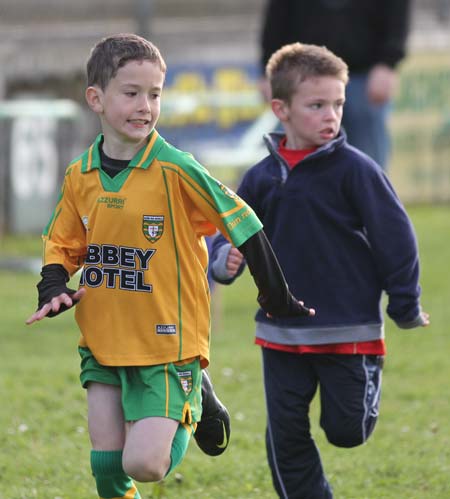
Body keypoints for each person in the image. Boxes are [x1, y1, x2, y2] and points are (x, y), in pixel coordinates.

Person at [25, 33, 314, 499]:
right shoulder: (80, 175)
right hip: (102, 338)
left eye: (155, 94)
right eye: (132, 93)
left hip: (167, 344)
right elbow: (63, 242)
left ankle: (195, 398)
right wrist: (53, 284)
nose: (145, 106)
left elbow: (242, 221)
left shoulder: (176, 169)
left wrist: (276, 294)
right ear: (96, 99)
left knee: (143, 464)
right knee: (106, 465)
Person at [210, 42, 430, 499]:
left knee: (346, 430)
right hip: (280, 331)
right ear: (281, 109)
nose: (331, 115)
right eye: (316, 105)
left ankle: (362, 394)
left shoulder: (357, 171)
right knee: (286, 433)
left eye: (338, 104)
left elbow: (396, 238)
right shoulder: (261, 177)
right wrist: (224, 260)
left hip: (349, 330)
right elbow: (228, 226)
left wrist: (405, 304)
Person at [259, 0, 412, 170]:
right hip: (302, 82)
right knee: (294, 167)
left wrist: (388, 63)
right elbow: (277, 14)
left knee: (367, 170)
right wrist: (269, 68)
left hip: (364, 77)